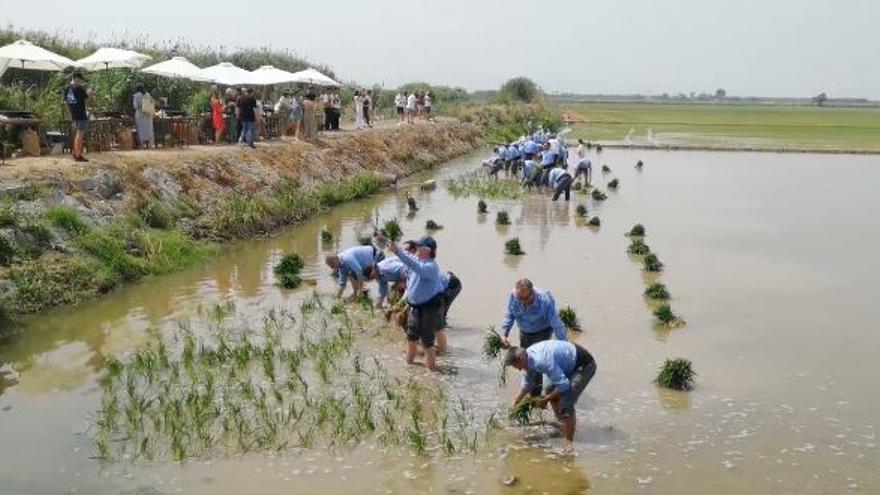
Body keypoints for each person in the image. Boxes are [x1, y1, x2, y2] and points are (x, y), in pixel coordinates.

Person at [503, 340, 596, 443]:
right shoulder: (528, 357)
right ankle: (562, 424)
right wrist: (515, 405)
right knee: (549, 390)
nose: (518, 369)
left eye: (516, 366)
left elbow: (563, 385)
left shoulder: (541, 361)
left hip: (584, 365)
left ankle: (568, 442)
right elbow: (527, 384)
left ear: (520, 360)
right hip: (567, 362)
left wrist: (545, 399)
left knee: (566, 401)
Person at [499, 279, 568, 395]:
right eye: (520, 299)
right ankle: (531, 389)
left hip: (542, 331)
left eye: (526, 299)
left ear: (533, 293)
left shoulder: (545, 300)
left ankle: (535, 395)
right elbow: (509, 314)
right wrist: (504, 333)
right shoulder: (514, 296)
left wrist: (565, 346)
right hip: (524, 331)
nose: (523, 303)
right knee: (525, 361)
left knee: (535, 362)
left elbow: (557, 324)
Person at [389, 236, 445, 370]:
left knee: (427, 343)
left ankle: (431, 375)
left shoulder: (431, 267)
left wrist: (398, 251)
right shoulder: (418, 260)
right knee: (411, 337)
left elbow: (414, 264)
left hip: (428, 309)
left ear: (428, 250)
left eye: (420, 247)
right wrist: (390, 244)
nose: (417, 250)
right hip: (415, 308)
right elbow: (410, 259)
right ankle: (408, 367)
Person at [63, 72, 91, 162]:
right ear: (76, 78)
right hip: (81, 114)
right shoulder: (79, 88)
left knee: (77, 134)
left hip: (73, 114)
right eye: (79, 80)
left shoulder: (67, 88)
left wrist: (69, 114)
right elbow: (86, 99)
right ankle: (78, 155)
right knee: (80, 134)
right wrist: (89, 92)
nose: (80, 82)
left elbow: (66, 103)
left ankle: (75, 153)